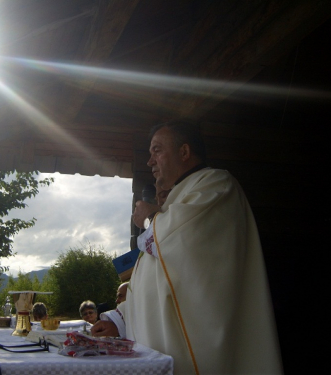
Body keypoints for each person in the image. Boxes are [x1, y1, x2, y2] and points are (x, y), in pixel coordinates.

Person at [92, 119, 283, 374]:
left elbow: (179, 244)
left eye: (157, 150)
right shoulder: (178, 196)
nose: (150, 162)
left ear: (184, 152)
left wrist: (150, 218)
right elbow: (159, 272)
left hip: (199, 347)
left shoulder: (216, 184)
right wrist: (121, 318)